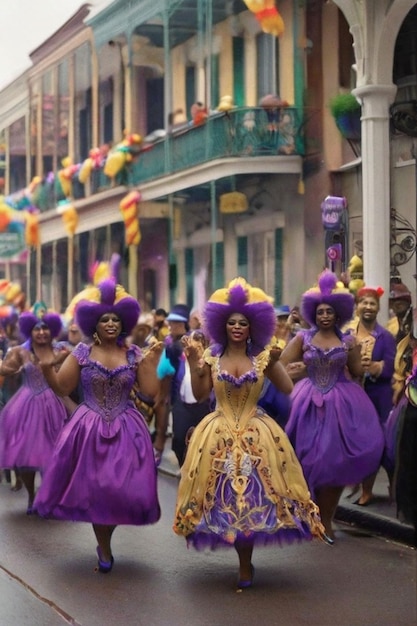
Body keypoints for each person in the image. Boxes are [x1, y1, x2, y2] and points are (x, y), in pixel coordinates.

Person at [173, 278, 325, 591]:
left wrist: (277, 359)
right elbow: (201, 394)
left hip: (257, 435)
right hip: (217, 437)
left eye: (243, 322)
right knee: (225, 500)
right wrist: (193, 362)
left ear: (252, 325)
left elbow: (286, 387)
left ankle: (245, 564)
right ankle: (243, 560)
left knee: (254, 501)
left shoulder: (263, 356)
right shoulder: (212, 357)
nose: (238, 327)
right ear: (222, 325)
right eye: (232, 322)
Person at [34, 279, 162, 573]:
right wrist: (47, 368)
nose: (110, 323)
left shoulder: (133, 354)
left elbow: (150, 392)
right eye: (104, 319)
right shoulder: (82, 352)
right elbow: (63, 387)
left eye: (116, 319)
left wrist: (151, 364)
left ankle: (107, 535)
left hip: (127, 429)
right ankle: (103, 546)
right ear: (95, 323)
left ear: (123, 323)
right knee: (97, 490)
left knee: (121, 491)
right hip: (89, 428)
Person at [280, 270, 385, 541]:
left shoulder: (349, 341)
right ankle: (310, 516)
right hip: (306, 404)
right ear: (313, 313)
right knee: (306, 462)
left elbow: (356, 373)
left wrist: (361, 361)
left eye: (329, 311)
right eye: (320, 311)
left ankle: (326, 521)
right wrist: (298, 372)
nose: (324, 315)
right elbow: (278, 365)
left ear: (338, 313)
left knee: (335, 463)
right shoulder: (302, 338)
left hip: (341, 404)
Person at [0, 305, 69, 513]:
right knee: (27, 457)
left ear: (52, 330)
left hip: (55, 405)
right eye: (37, 329)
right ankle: (31, 496)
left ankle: (49, 497)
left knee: (54, 457)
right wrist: (13, 367)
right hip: (26, 407)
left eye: (45, 328)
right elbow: (4, 368)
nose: (41, 332)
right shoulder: (20, 351)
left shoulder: (61, 350)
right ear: (30, 331)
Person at [345, 286, 396, 505]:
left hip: (379, 398)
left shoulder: (385, 337)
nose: (368, 307)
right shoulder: (347, 336)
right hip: (352, 397)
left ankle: (386, 490)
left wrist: (376, 367)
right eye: (364, 302)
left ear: (378, 308)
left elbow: (393, 364)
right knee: (357, 443)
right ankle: (359, 487)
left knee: (382, 444)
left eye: (372, 303)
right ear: (357, 307)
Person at [155, 304, 211, 467]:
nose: (192, 344)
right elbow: (164, 375)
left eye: (197, 340)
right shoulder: (172, 348)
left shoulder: (206, 351)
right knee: (179, 441)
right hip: (181, 403)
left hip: (204, 405)